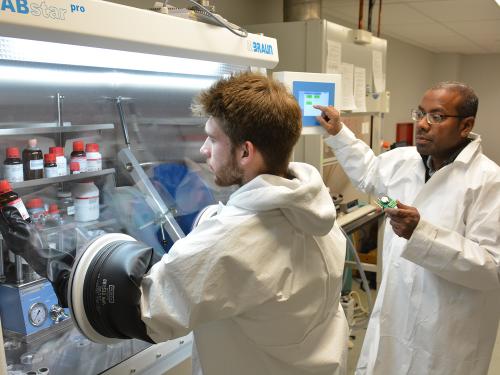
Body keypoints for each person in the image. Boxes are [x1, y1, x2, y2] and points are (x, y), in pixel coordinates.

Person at [0, 72, 349, 375]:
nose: (203, 151)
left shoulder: (235, 241)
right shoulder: (318, 214)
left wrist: (39, 254)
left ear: (245, 152)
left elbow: (137, 310)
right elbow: (231, 244)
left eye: (213, 139)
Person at [314, 81, 500, 375]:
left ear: (466, 126)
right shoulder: (404, 161)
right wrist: (338, 133)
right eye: (420, 114)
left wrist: (421, 234)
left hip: (447, 333)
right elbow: (373, 180)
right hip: (396, 314)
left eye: (436, 117)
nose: (422, 125)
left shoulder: (489, 182)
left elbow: (492, 268)